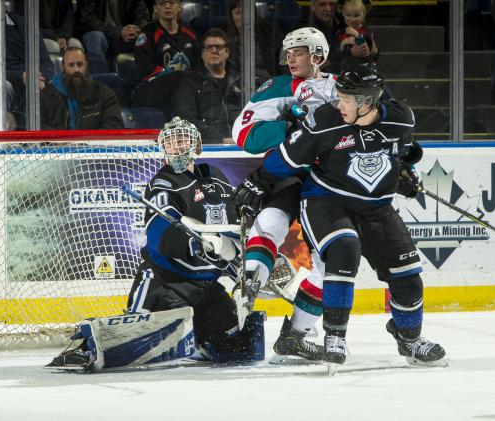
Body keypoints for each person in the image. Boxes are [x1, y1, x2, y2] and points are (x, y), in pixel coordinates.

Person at [233, 63, 447, 369]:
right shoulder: (326, 121)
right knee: (344, 251)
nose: (339, 103)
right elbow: (288, 158)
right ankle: (335, 337)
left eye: (347, 99)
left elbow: (402, 151)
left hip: (376, 208)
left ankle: (410, 339)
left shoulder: (401, 118)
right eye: (339, 96)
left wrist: (406, 175)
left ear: (368, 102)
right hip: (326, 201)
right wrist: (257, 180)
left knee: (409, 276)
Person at [47, 117, 265, 371]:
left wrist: (235, 253)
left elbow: (232, 225)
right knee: (135, 339)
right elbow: (162, 236)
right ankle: (84, 348)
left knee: (235, 350)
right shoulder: (163, 183)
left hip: (207, 288)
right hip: (165, 283)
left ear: (196, 145)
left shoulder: (216, 177)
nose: (177, 148)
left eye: (182, 141)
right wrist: (199, 245)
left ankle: (199, 341)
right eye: (171, 143)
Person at [231, 27, 338, 361]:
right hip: (287, 174)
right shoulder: (277, 88)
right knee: (271, 222)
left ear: (318, 55)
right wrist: (287, 126)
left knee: (329, 263)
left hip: (328, 182)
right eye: (288, 53)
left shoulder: (342, 87)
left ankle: (295, 336)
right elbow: (244, 134)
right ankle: (248, 285)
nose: (291, 58)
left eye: (299, 52)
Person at [0, 0, 55, 121]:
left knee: (53, 87)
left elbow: (45, 61)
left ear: (3, 6)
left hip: (33, 78)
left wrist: (42, 78)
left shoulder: (24, 23)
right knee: (1, 86)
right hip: (7, 79)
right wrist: (21, 76)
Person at [173, 28, 241, 144]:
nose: (214, 51)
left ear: (227, 52)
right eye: (209, 47)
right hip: (207, 146)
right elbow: (186, 119)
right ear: (202, 53)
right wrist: (221, 140)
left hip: (241, 144)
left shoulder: (241, 79)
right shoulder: (189, 81)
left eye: (219, 47)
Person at [131, 0, 199, 109]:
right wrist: (176, 76)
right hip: (151, 90)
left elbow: (199, 64)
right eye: (162, 3)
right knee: (181, 78)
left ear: (179, 6)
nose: (167, 6)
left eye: (172, 2)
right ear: (156, 8)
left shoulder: (190, 33)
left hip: (185, 89)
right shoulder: (147, 34)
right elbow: (143, 69)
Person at [40, 47, 124, 130]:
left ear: (86, 65)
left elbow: (115, 124)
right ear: (63, 67)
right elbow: (39, 126)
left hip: (93, 142)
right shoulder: (46, 95)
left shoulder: (104, 93)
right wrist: (59, 140)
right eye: (71, 65)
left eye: (80, 64)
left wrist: (88, 141)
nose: (76, 70)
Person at [74, 0, 150, 73]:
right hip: (97, 32)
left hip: (124, 36)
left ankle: (141, 82)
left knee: (144, 37)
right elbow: (88, 20)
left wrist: (133, 31)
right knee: (97, 37)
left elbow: (143, 18)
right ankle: (99, 80)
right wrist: (119, 31)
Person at [224, 0, 285, 80]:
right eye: (238, 13)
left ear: (254, 14)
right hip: (237, 85)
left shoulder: (270, 32)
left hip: (268, 83)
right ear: (231, 17)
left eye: (246, 12)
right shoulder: (223, 38)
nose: (243, 17)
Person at [336, 0, 378, 69]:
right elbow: (338, 54)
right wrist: (342, 44)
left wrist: (357, 35)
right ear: (343, 14)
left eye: (356, 15)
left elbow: (370, 49)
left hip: (365, 69)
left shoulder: (365, 30)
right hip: (346, 69)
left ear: (364, 14)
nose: (352, 19)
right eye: (348, 15)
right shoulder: (340, 31)